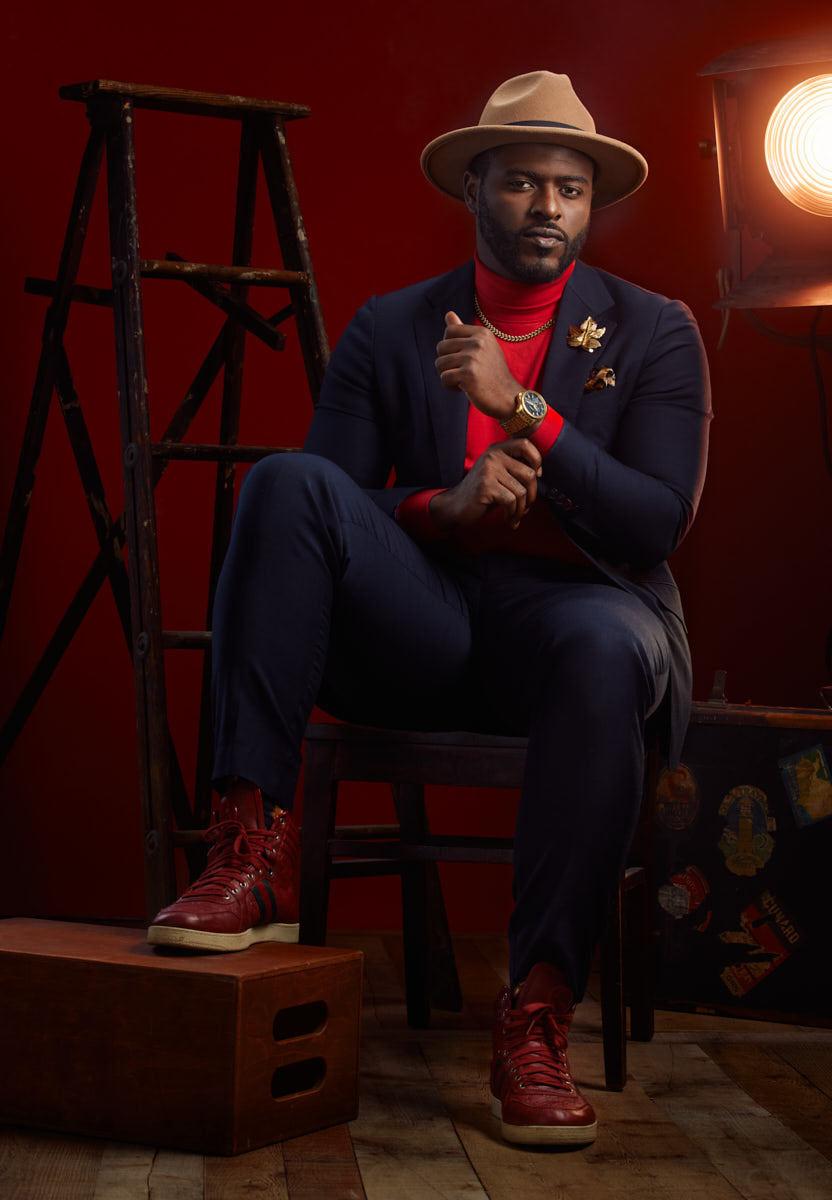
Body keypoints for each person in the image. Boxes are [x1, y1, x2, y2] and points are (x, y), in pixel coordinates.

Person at [147, 70, 711, 1147]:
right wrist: (443, 505)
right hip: (433, 619)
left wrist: (527, 409)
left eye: (569, 189)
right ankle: (243, 855)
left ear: (592, 204)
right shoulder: (392, 326)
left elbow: (652, 522)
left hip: (580, 618)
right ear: (473, 190)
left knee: (603, 647)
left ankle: (536, 1016)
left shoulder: (654, 332)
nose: (547, 208)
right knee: (280, 484)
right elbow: (334, 506)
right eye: (521, 184)